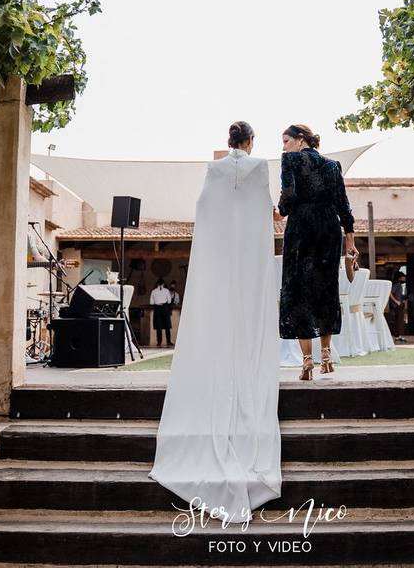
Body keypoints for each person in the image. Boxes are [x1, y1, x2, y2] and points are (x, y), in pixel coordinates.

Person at [150, 121, 282, 524]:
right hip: (249, 262)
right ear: (251, 141)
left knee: (219, 316)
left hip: (221, 260)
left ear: (228, 142)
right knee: (247, 316)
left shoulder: (215, 169)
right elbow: (264, 216)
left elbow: (206, 213)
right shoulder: (260, 168)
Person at [278, 124, 356, 380]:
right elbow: (343, 205)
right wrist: (350, 241)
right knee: (325, 289)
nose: (284, 146)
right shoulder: (333, 165)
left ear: (301, 140)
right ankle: (326, 357)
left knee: (298, 291)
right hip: (328, 229)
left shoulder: (290, 160)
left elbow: (288, 197)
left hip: (301, 228)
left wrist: (281, 208)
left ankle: (307, 361)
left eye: (286, 140)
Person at [149, 278, 173, 347]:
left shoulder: (153, 291)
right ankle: (168, 342)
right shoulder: (166, 291)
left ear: (157, 284)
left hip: (157, 308)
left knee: (159, 326)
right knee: (167, 326)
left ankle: (159, 342)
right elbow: (169, 301)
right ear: (163, 284)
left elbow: (151, 302)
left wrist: (157, 301)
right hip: (164, 308)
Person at [388, 272, 408, 343]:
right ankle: (398, 336)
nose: (404, 278)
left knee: (399, 320)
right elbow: (390, 293)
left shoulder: (399, 285)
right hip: (397, 305)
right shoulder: (397, 285)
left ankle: (398, 336)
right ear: (399, 278)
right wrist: (396, 301)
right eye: (403, 277)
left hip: (399, 304)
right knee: (399, 320)